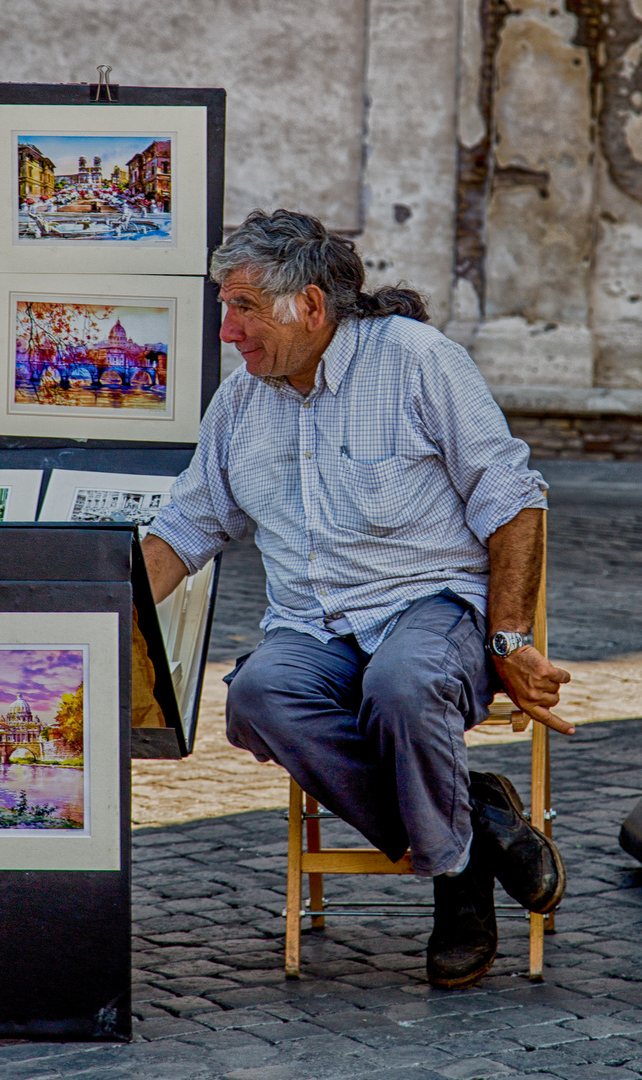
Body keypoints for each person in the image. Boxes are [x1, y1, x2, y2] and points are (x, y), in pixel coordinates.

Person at [142, 209, 573, 989]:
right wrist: (102, 627)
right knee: (259, 697)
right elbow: (184, 527)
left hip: (429, 607)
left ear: (309, 306)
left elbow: (513, 498)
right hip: (313, 623)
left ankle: (456, 888)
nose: (227, 331)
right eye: (223, 308)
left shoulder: (416, 361)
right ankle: (472, 829)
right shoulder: (241, 403)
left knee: (400, 686)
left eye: (243, 307)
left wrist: (507, 640)